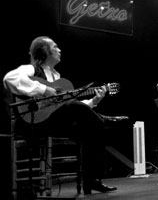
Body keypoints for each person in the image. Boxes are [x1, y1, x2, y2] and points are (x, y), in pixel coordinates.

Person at [3, 36, 117, 194]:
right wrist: (44, 89)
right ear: (44, 51)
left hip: (52, 120)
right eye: (55, 47)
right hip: (31, 121)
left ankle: (91, 181)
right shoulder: (31, 69)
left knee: (88, 131)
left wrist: (94, 100)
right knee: (90, 119)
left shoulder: (56, 76)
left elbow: (67, 106)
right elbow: (9, 79)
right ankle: (102, 119)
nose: (59, 50)